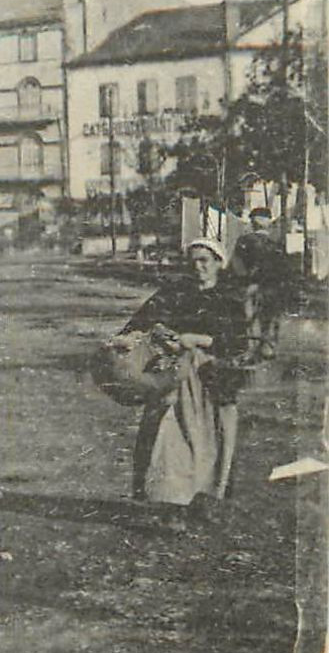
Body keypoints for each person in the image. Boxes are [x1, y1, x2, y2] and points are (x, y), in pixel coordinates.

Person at [120, 238, 248, 505]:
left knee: (211, 439)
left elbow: (239, 342)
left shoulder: (230, 299)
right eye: (193, 261)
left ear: (217, 263)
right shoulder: (175, 292)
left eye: (204, 260)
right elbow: (143, 320)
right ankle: (168, 497)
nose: (198, 266)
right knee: (166, 437)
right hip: (173, 377)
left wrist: (200, 339)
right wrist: (141, 337)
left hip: (211, 379)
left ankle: (208, 497)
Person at [229, 206, 291, 359]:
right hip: (271, 286)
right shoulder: (275, 244)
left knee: (251, 317)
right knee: (269, 316)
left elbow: (237, 265)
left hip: (252, 285)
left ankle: (252, 347)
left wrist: (244, 281)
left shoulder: (244, 241)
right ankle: (267, 347)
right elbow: (284, 268)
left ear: (252, 222)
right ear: (268, 223)